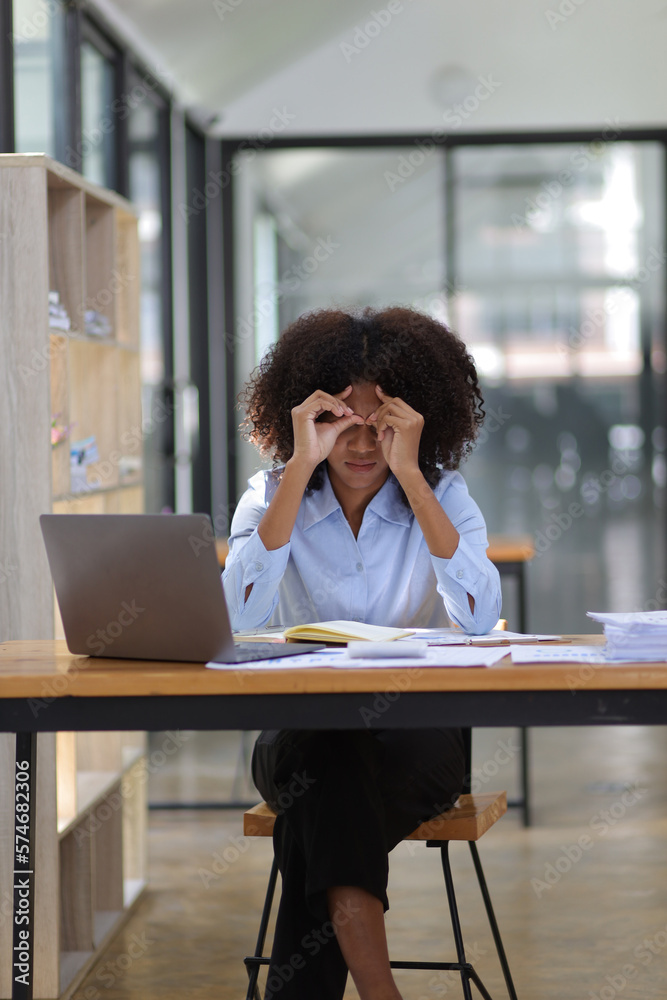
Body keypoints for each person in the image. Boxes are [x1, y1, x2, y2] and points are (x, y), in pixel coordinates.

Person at [222, 306, 501, 1000]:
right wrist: (297, 468)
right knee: (331, 754)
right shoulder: (271, 495)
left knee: (322, 801)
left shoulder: (443, 496)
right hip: (298, 730)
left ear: (416, 422)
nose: (362, 443)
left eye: (383, 425)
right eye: (343, 421)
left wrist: (412, 478)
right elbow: (236, 616)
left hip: (418, 736)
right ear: (309, 418)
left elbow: (478, 617)